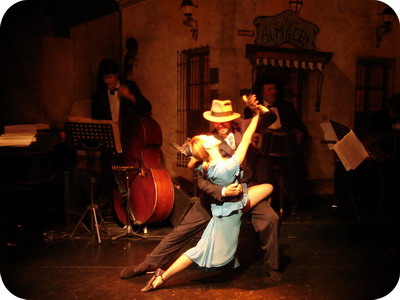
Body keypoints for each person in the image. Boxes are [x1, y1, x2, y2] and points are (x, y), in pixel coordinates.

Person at [120, 98, 282, 282]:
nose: (221, 125)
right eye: (217, 121)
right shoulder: (206, 142)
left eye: (225, 120)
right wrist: (222, 192)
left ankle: (272, 268)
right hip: (215, 197)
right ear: (212, 120)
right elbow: (201, 181)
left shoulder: (243, 128)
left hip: (246, 190)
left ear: (231, 118)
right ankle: (148, 264)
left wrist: (258, 109)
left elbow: (269, 119)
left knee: (270, 219)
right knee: (182, 230)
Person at [91, 59, 152, 214]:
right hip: (108, 137)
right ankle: (107, 210)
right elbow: (95, 118)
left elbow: (147, 107)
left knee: (128, 174)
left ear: (117, 74)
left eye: (110, 77)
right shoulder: (99, 94)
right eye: (105, 78)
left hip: (129, 138)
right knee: (106, 171)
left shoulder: (130, 86)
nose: (107, 81)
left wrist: (130, 96)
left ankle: (132, 208)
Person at [245, 75, 308, 218]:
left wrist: (298, 133)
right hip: (264, 152)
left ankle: (293, 205)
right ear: (262, 93)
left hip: (286, 150)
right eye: (269, 89)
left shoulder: (287, 107)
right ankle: (265, 204)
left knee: (294, 169)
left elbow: (300, 127)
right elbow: (247, 130)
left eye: (274, 88)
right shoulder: (252, 109)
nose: (273, 92)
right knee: (263, 173)